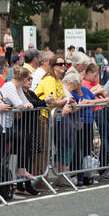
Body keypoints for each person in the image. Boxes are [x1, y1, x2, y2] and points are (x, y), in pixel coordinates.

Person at [34, 56, 76, 189]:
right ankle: (40, 179)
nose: (63, 66)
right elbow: (53, 101)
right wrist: (66, 101)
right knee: (43, 149)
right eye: (60, 64)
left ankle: (42, 178)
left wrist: (65, 101)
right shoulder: (49, 80)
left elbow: (62, 98)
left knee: (47, 149)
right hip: (43, 116)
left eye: (64, 64)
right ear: (52, 66)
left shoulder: (58, 80)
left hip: (51, 117)